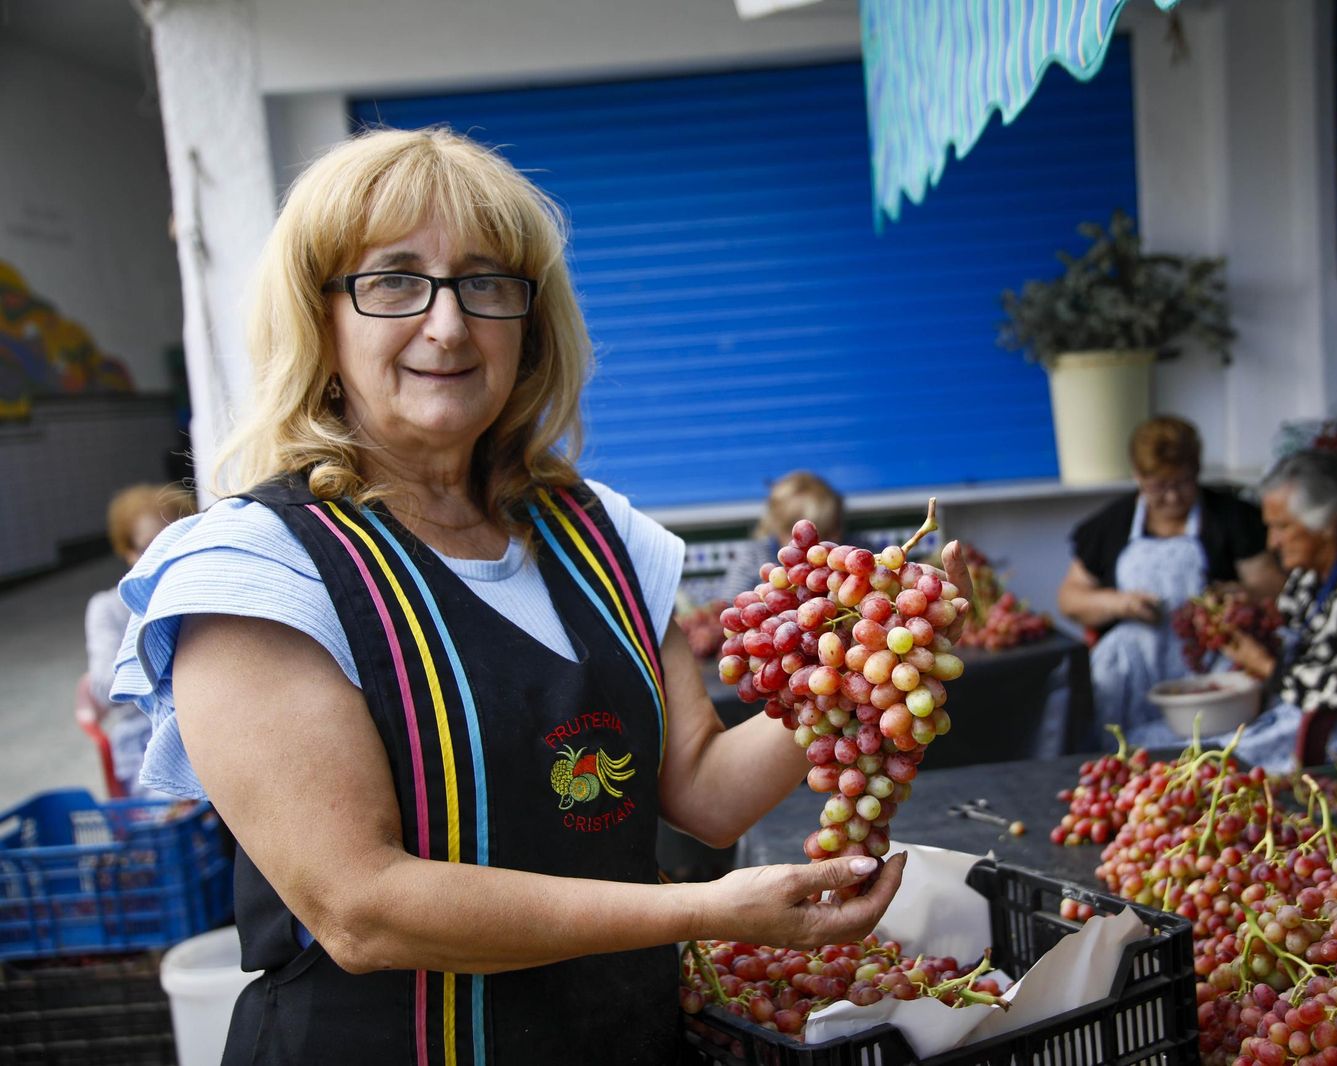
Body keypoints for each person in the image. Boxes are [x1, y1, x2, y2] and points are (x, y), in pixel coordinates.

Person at [108, 129, 972, 1064]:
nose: (449, 326)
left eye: (485, 283)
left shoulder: (600, 532)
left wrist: (878, 653)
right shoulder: (256, 570)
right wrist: (705, 910)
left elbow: (706, 791)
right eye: (393, 281)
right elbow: (362, 909)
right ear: (320, 319)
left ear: (529, 323)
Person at [1155, 449, 1337, 768]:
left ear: (1328, 525)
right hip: (1299, 709)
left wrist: (1270, 668)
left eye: (1282, 527)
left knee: (1209, 763)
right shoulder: (1310, 572)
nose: (1272, 543)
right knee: (1172, 744)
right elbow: (1291, 638)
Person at [1059, 416, 1283, 735]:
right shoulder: (1110, 526)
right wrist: (1118, 604)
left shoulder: (1233, 518)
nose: (1173, 497)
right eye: (1160, 487)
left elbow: (1272, 585)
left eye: (1183, 483)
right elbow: (1070, 598)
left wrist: (1240, 594)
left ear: (1197, 470)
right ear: (1138, 476)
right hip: (1130, 669)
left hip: (1212, 661)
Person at [84, 482, 196, 796]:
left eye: (173, 541)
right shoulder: (108, 608)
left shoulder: (197, 595)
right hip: (145, 739)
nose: (163, 556)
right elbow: (105, 686)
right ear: (129, 552)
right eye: (149, 548)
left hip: (205, 726)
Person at [717, 470, 844, 604]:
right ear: (779, 528)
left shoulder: (848, 556)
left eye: (829, 532)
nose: (817, 548)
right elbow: (730, 605)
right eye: (803, 537)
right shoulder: (753, 557)